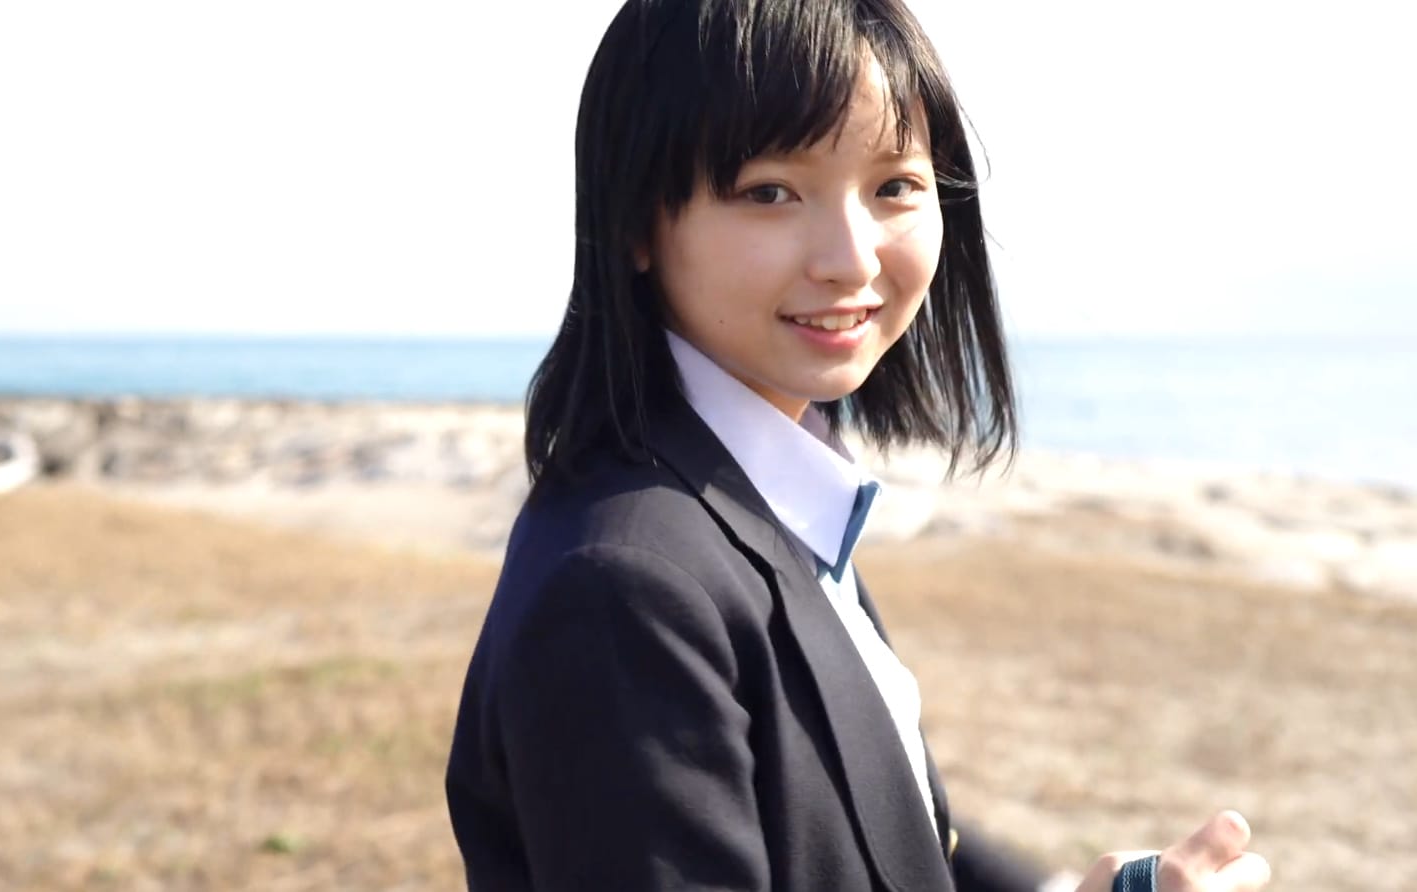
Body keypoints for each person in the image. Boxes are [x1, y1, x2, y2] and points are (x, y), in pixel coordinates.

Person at [445, 1, 1273, 890]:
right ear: (636, 221)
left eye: (894, 187)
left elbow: (874, 832)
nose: (851, 259)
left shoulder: (771, 494)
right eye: (770, 192)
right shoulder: (624, 588)